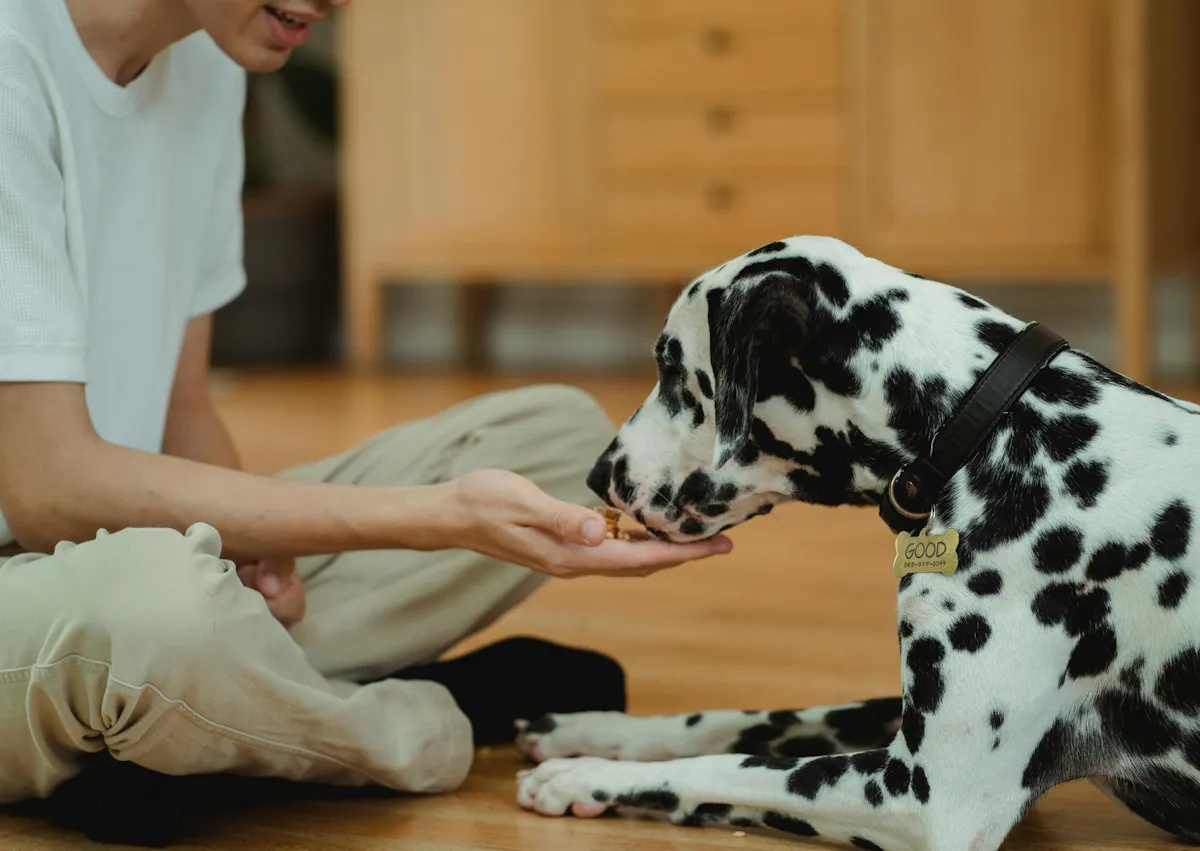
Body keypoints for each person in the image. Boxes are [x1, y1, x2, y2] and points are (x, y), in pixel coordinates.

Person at [0, 0, 733, 842]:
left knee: (561, 441)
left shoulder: (205, 60)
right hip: (64, 582)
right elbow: (48, 490)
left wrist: (251, 558)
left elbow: (182, 406)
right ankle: (418, 722)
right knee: (161, 614)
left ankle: (195, 725)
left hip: (116, 556)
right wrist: (441, 516)